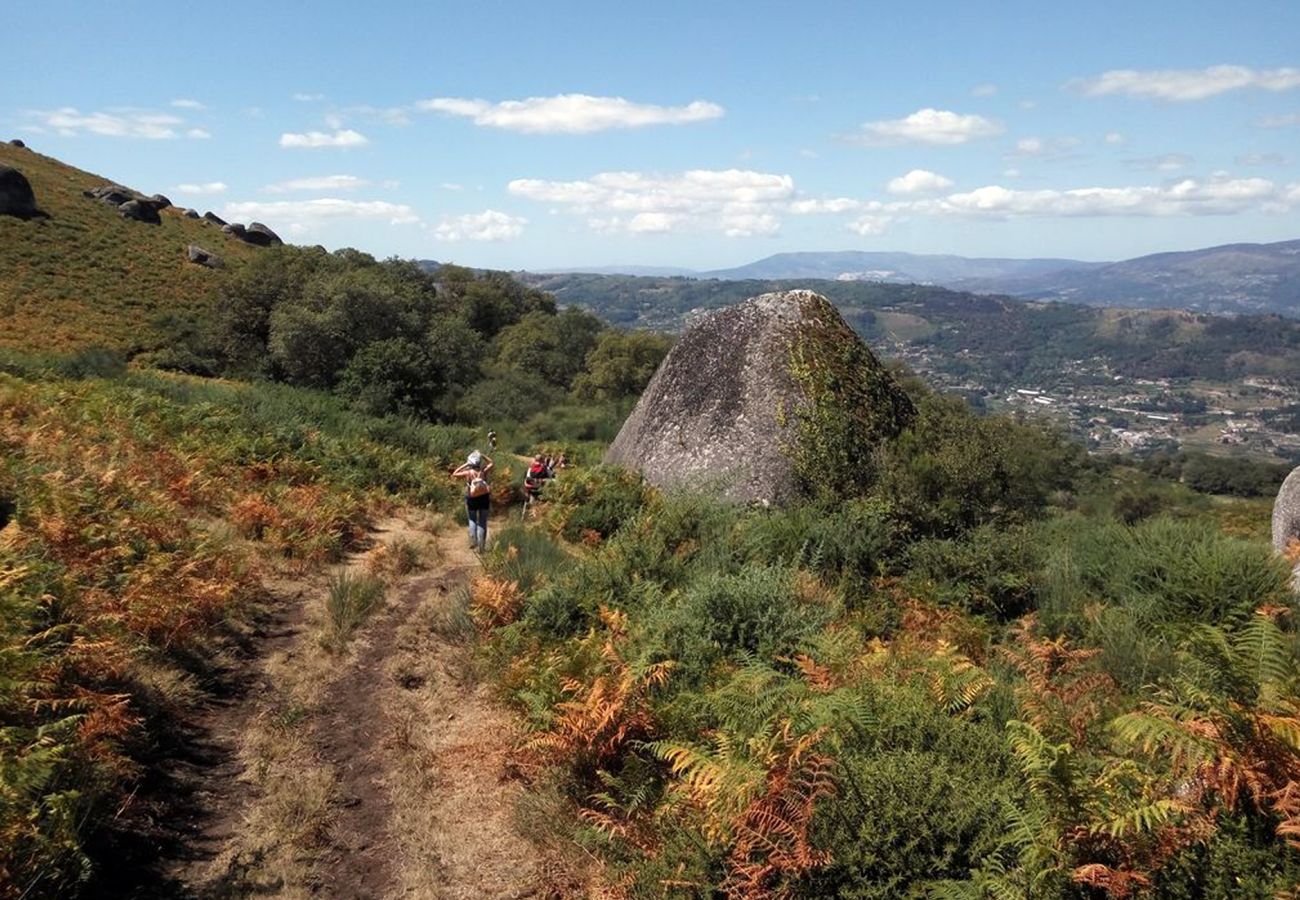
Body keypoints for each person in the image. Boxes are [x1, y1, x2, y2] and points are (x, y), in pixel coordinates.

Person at [452, 450, 493, 551]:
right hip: (484, 498)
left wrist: (466, 464)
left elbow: (455, 473)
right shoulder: (483, 471)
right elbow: (491, 463)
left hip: (471, 498)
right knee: (482, 522)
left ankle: (473, 542)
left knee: (472, 519)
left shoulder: (468, 473)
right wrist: (482, 455)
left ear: (471, 462)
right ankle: (482, 546)